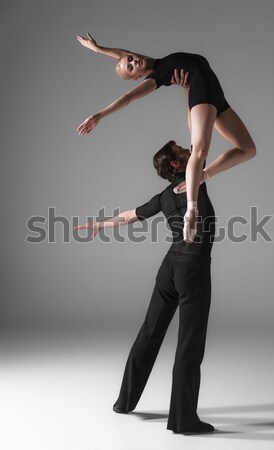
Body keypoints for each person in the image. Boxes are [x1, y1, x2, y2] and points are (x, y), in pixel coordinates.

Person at [74, 141, 218, 434]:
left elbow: (130, 215)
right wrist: (193, 98)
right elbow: (200, 142)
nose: (188, 150)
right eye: (181, 150)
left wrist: (101, 225)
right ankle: (183, 420)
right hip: (192, 268)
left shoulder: (165, 196)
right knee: (189, 344)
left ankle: (124, 403)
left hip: (170, 267)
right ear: (177, 165)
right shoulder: (196, 178)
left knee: (150, 332)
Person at [76, 33, 256, 242]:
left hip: (216, 96)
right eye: (131, 67)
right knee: (199, 149)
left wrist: (99, 49)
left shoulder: (162, 62)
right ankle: (191, 211)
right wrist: (99, 115)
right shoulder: (158, 75)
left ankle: (201, 176)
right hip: (202, 95)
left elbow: (123, 55)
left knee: (248, 149)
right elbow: (128, 98)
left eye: (131, 58)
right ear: (136, 77)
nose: (134, 61)